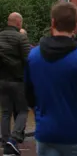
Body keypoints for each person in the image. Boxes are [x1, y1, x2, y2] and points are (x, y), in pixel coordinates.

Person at [24, 2, 77, 154]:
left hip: (46, 132)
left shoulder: (34, 55)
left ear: (52, 22)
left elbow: (29, 95)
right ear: (76, 26)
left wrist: (40, 117)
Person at [0, 13, 31, 155]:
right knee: (23, 109)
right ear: (18, 23)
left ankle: (5, 140)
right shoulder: (21, 37)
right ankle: (14, 137)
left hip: (2, 80)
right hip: (18, 80)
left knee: (6, 111)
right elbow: (28, 59)